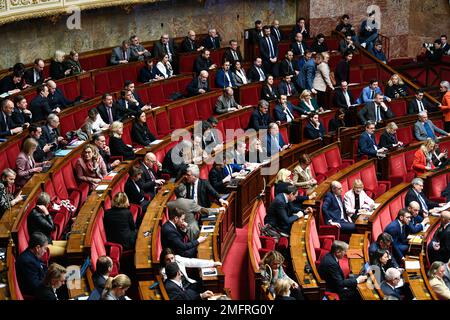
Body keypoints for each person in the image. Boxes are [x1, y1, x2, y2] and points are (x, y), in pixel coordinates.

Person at [27, 192, 66, 256]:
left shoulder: (37, 211)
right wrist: (47, 213)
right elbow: (52, 228)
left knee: (68, 244)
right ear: (46, 205)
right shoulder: (36, 215)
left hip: (47, 241)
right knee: (66, 251)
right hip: (43, 246)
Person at [15, 232, 49, 296]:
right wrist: (51, 282)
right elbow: (36, 286)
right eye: (45, 248)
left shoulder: (32, 254)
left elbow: (43, 267)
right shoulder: (27, 262)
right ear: (38, 248)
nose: (45, 251)